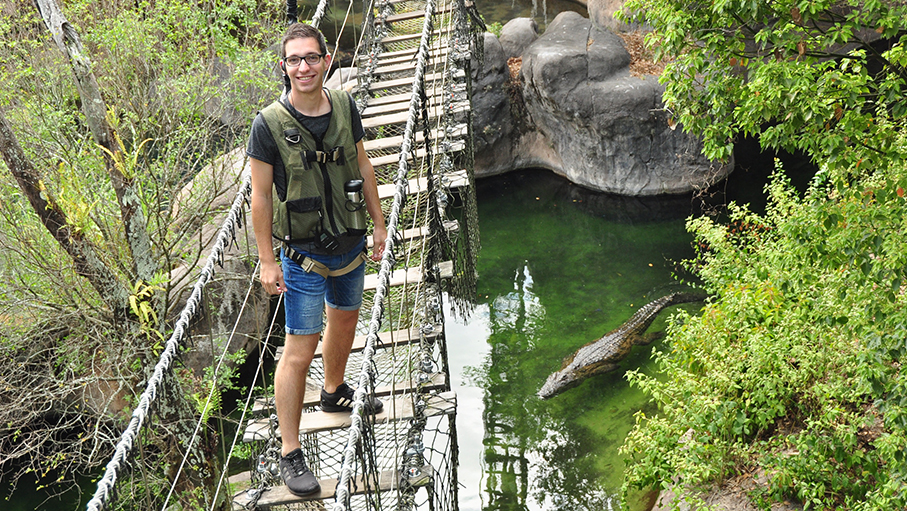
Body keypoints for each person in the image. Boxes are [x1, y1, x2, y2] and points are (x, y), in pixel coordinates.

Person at [247, 23, 387, 497]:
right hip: (302, 255)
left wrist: (380, 224)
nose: (303, 67)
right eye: (294, 59)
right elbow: (261, 197)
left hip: (350, 243)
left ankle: (333, 391)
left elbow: (362, 164)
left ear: (326, 60)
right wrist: (266, 260)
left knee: (346, 321)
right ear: (283, 66)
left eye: (311, 57)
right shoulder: (268, 124)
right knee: (298, 350)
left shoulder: (345, 105)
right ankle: (290, 451)